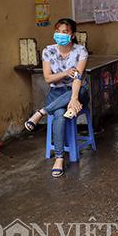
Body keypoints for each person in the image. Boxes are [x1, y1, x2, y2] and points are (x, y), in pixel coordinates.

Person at [23, 18, 88, 177]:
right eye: (57, 31)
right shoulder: (48, 51)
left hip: (77, 91)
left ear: (72, 35)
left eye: (65, 32)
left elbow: (77, 78)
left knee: (70, 99)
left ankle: (41, 112)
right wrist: (65, 73)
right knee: (59, 114)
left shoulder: (81, 51)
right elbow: (48, 78)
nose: (60, 35)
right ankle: (59, 158)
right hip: (56, 93)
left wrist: (73, 98)